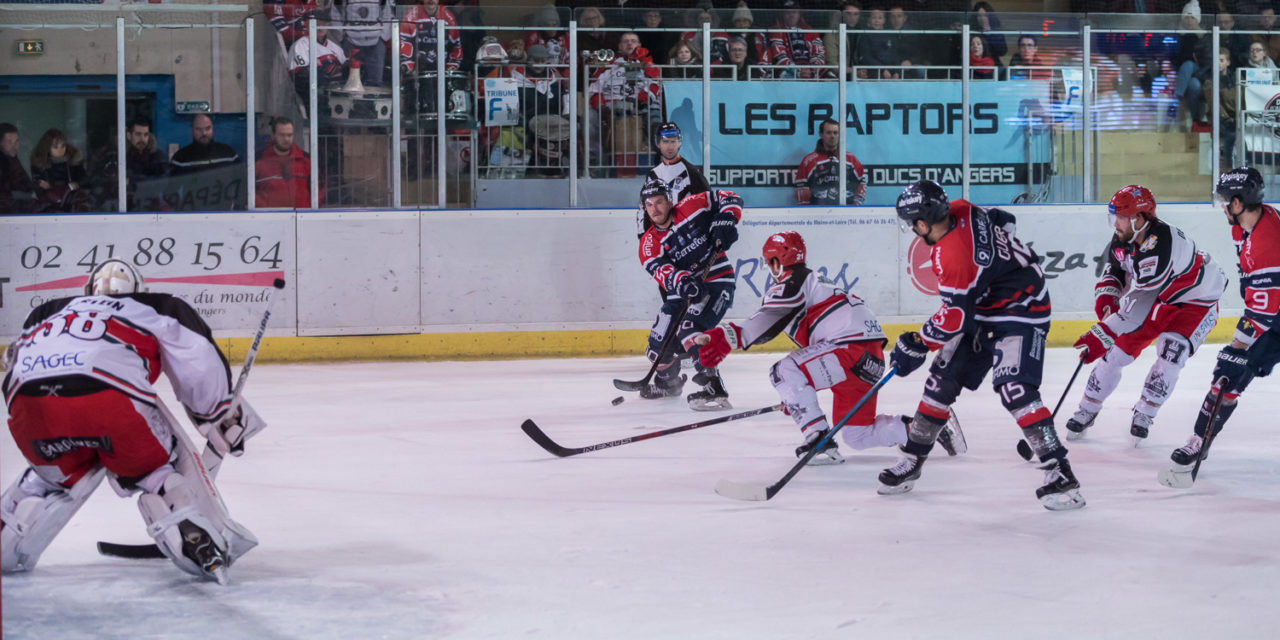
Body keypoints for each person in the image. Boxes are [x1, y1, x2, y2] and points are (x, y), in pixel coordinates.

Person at [1, 259, 263, 583]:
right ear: (137, 290)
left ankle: (14, 514)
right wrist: (218, 415)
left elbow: (14, 362)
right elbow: (198, 363)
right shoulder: (154, 307)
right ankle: (186, 526)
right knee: (157, 468)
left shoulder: (47, 312)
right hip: (108, 399)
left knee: (51, 476)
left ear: (88, 290)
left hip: (27, 403)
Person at [884, 180, 1085, 510]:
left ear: (922, 223)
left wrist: (918, 342)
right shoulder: (961, 207)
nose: (912, 230)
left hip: (1022, 308)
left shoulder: (952, 255)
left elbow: (954, 319)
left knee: (1015, 389)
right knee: (940, 383)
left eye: (912, 224)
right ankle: (913, 459)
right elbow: (1004, 220)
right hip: (987, 304)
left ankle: (1059, 472)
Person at [693, 231, 966, 465]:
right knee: (857, 435)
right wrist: (798, 399)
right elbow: (774, 326)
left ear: (777, 260)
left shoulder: (795, 280)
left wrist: (728, 335)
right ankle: (926, 427)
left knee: (783, 370)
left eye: (769, 262)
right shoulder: (814, 285)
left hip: (848, 348)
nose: (769, 268)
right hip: (867, 359)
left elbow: (767, 319)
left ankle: (819, 441)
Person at [1064, 185, 1227, 445]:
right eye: (1114, 216)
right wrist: (1108, 293)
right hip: (1160, 297)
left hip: (1195, 302)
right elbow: (1117, 267)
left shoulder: (1160, 246)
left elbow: (1137, 307)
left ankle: (1145, 412)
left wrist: (1103, 332)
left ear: (1140, 218)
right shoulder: (1126, 237)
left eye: (1121, 217)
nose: (1115, 224)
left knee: (1171, 353)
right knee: (1116, 352)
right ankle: (1087, 408)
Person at [1163, 167, 1280, 478]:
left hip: (1272, 315)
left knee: (1231, 364)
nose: (1222, 207)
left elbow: (1263, 311)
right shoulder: (1246, 224)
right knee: (1227, 381)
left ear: (1239, 203)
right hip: (1273, 315)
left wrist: (1237, 347)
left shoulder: (1266, 245)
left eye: (1225, 201)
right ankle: (1199, 440)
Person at [636, 180, 742, 411]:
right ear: (644, 208)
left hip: (717, 282)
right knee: (657, 346)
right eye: (649, 204)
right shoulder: (649, 243)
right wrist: (682, 281)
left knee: (689, 327)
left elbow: (730, 196)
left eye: (660, 202)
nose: (655, 209)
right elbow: (663, 272)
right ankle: (668, 384)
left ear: (669, 200)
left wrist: (726, 219)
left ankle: (712, 384)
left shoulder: (693, 205)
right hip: (684, 292)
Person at [638, 122, 710, 237]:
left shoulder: (691, 172)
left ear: (679, 143)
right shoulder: (653, 174)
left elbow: (709, 203)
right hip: (661, 238)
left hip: (687, 238)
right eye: (665, 141)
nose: (670, 146)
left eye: (673, 141)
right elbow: (644, 207)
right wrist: (643, 235)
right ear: (658, 143)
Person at [795, 119, 867, 206]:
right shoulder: (809, 161)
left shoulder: (850, 159)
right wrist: (807, 212)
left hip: (846, 214)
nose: (832, 136)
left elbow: (862, 181)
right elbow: (801, 187)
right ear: (821, 134)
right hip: (818, 215)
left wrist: (856, 205)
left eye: (835, 133)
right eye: (828, 132)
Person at [289, 18, 349, 112]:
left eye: (323, 25)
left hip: (337, 95)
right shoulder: (301, 45)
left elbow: (345, 72)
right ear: (308, 26)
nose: (320, 28)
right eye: (317, 25)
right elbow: (301, 75)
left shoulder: (336, 48)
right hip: (316, 96)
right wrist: (324, 72)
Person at [329, 0, 394, 87]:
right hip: (350, 42)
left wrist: (382, 36)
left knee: (374, 83)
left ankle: (371, 100)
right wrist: (342, 36)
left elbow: (387, 13)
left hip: (375, 43)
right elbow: (335, 13)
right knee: (349, 83)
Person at [255, 117, 314, 208]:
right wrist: (263, 209)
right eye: (282, 135)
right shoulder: (258, 160)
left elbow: (318, 190)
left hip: (301, 218)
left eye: (289, 135)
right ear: (273, 135)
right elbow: (248, 191)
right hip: (270, 219)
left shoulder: (306, 160)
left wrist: (308, 210)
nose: (286, 139)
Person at [29, 128, 89, 213]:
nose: (60, 150)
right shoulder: (39, 163)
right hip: (50, 206)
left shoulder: (73, 160)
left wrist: (76, 184)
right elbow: (36, 184)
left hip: (72, 204)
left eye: (63, 146)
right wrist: (40, 183)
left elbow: (85, 180)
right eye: (55, 147)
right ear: (47, 147)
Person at [767, 0, 828, 79]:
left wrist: (812, 68)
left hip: (811, 70)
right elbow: (779, 55)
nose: (791, 15)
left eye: (794, 12)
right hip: (788, 70)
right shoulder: (777, 30)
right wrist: (797, 70)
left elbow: (819, 52)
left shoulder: (809, 30)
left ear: (799, 14)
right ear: (782, 14)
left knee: (830, 76)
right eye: (787, 12)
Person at [170, 114, 240, 175]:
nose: (204, 133)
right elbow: (172, 188)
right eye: (198, 129)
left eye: (207, 128)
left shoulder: (229, 155)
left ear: (212, 128)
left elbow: (242, 182)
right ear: (192, 130)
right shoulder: (180, 159)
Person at [0, 122, 37, 213]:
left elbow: (26, 184)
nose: (14, 146)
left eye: (16, 141)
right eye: (9, 142)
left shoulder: (13, 159)